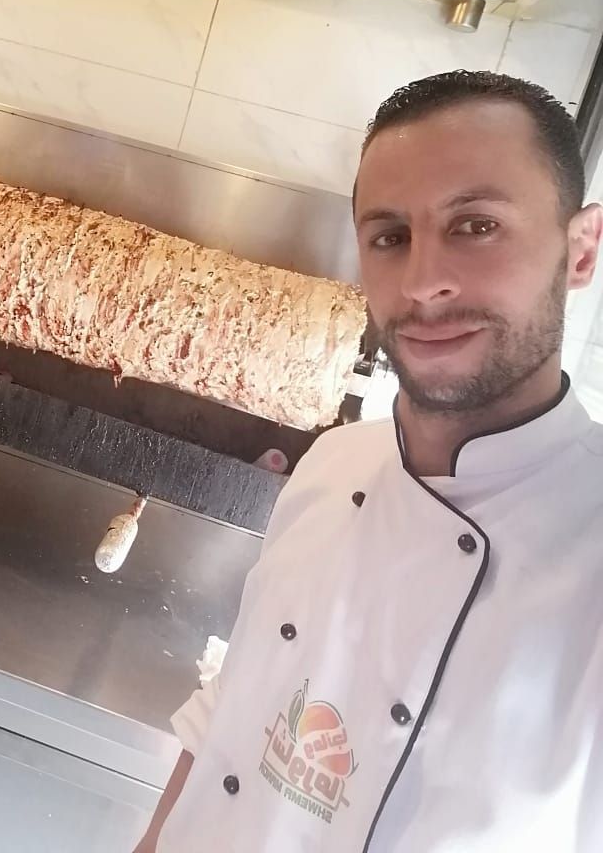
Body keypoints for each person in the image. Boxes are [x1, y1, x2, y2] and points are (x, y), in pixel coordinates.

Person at [134, 70, 603, 853]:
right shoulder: (334, 462)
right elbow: (230, 717)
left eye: (476, 225)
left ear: (580, 249)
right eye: (389, 236)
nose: (422, 283)